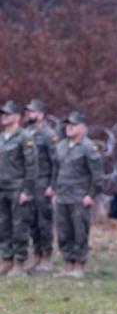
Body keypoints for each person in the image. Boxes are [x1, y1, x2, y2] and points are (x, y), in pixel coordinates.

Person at [53, 111, 101, 278]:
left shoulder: (88, 147)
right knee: (64, 231)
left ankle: (79, 264)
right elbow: (56, 169)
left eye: (73, 125)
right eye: (68, 125)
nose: (69, 128)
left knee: (79, 230)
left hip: (79, 195)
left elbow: (97, 175)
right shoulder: (61, 146)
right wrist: (53, 188)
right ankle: (67, 262)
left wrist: (91, 194)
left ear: (82, 127)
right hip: (62, 194)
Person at [0, 101, 38, 277]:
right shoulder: (1, 137)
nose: (4, 117)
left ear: (17, 117)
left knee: (19, 225)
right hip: (2, 187)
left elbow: (31, 166)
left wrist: (27, 190)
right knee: (3, 225)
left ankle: (19, 261)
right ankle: (6, 259)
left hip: (17, 187)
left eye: (8, 114)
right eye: (3, 114)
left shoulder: (24, 137)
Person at [24, 98, 58, 272]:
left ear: (41, 114)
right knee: (32, 220)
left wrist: (53, 185)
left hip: (43, 182)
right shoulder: (27, 133)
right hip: (29, 183)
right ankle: (36, 254)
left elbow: (56, 161)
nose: (29, 114)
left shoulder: (48, 135)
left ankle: (46, 256)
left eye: (33, 111)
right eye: (28, 111)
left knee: (44, 221)